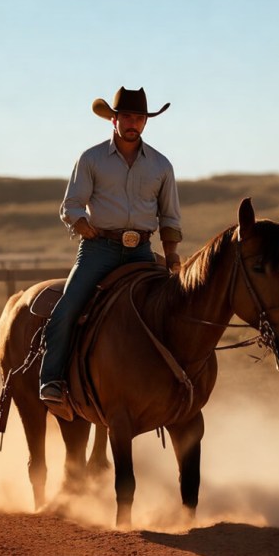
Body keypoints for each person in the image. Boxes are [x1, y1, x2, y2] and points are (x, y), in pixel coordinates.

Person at [39, 86, 183, 420]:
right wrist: (82, 224)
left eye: (140, 118)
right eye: (128, 117)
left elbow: (170, 216)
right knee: (68, 308)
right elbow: (71, 204)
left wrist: (172, 253)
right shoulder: (91, 159)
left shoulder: (161, 166)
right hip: (98, 250)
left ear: (146, 122)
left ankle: (173, 386)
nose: (134, 123)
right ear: (114, 120)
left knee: (172, 310)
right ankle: (52, 381)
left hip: (142, 252)